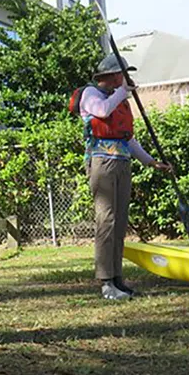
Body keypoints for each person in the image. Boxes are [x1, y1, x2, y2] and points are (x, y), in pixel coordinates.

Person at [70, 53, 172, 300]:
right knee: (106, 220)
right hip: (102, 162)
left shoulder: (120, 100)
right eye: (123, 74)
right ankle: (106, 282)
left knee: (120, 221)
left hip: (122, 162)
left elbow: (128, 138)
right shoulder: (92, 94)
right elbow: (102, 112)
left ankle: (117, 279)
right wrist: (123, 92)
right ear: (113, 75)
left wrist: (150, 161)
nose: (126, 78)